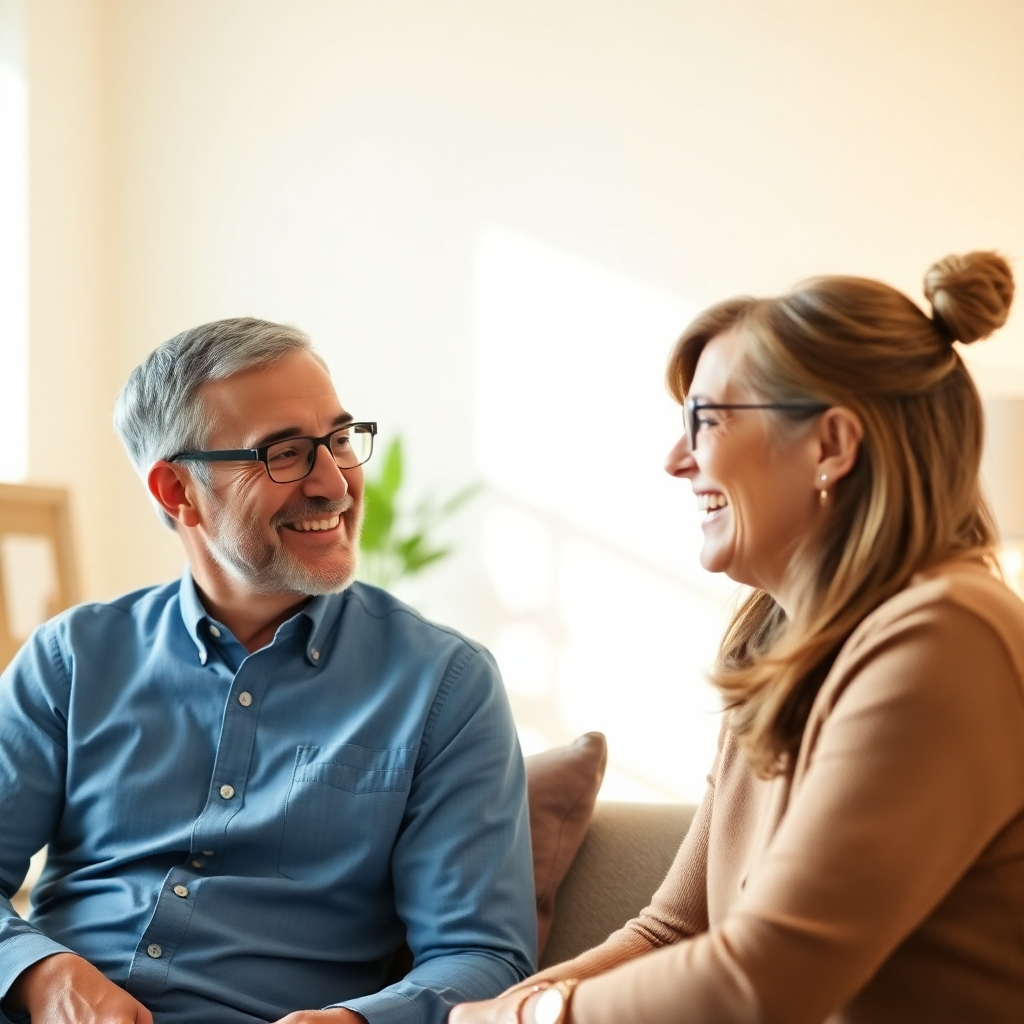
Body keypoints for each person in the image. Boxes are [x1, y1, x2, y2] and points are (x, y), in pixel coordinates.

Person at [450, 251, 1024, 1024]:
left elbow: (764, 977)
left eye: (706, 421)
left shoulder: (946, 639)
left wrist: (522, 1019)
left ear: (830, 446)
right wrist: (499, 1012)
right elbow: (673, 929)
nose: (676, 458)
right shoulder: (780, 648)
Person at [0, 318, 536, 1024]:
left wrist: (353, 1022)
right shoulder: (71, 659)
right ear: (177, 491)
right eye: (284, 453)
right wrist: (42, 975)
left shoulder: (446, 686)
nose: (334, 482)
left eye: (340, 440)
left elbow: (482, 955)